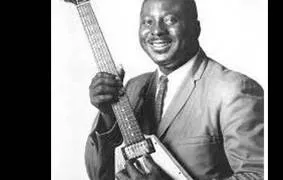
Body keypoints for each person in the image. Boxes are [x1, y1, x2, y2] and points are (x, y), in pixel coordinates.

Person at [85, 0, 264, 179]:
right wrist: (107, 115)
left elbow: (257, 175)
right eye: (148, 22)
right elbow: (99, 175)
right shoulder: (132, 88)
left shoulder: (233, 90)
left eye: (170, 20)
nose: (157, 31)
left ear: (196, 28)